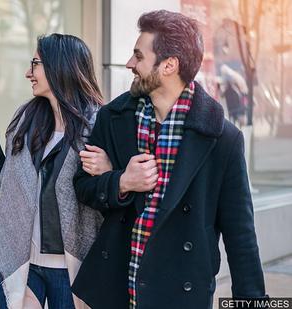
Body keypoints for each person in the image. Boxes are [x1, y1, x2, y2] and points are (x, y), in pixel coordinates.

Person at [71, 10, 266, 309]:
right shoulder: (114, 117)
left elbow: (240, 234)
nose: (129, 64)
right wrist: (121, 181)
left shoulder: (222, 139)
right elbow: (82, 186)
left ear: (169, 65)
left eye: (139, 56)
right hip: (115, 287)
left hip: (181, 293)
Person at [0, 33, 105, 309]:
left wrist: (108, 170)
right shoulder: (26, 119)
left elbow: (108, 193)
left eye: (35, 63)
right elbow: (8, 183)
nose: (29, 73)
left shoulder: (99, 124)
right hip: (21, 261)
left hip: (74, 265)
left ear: (59, 66)